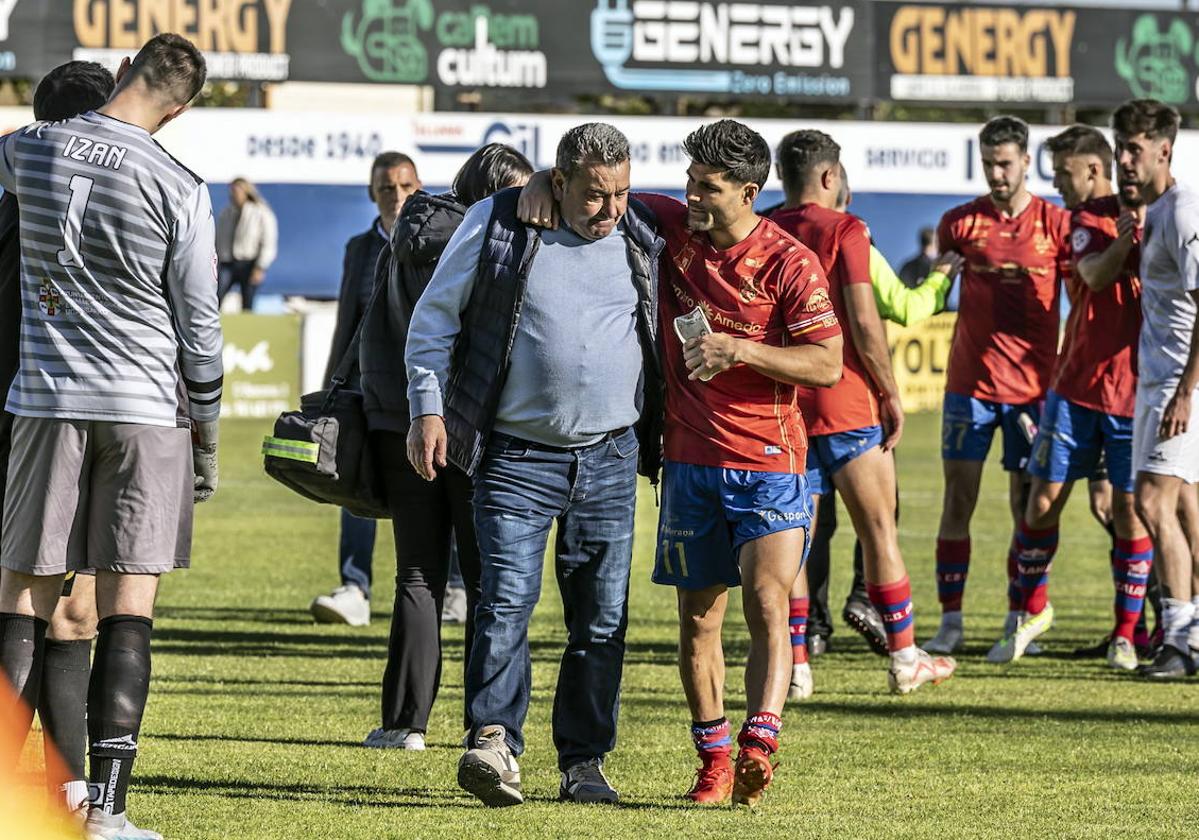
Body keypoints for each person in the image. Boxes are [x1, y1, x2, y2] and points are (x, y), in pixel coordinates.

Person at [0, 34, 221, 840]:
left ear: (124, 72)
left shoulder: (29, 147)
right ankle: (108, 813)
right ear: (182, 107)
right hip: (144, 407)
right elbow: (200, 325)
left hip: (44, 401)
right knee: (128, 605)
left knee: (24, 597)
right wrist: (208, 427)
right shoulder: (182, 184)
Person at [405, 123, 664, 806]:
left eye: (620, 192)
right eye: (592, 195)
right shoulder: (498, 222)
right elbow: (432, 321)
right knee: (505, 605)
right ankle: (493, 742)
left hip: (610, 457)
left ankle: (583, 764)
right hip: (516, 457)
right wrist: (426, 409)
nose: (608, 209)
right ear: (560, 179)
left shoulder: (641, 227)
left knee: (601, 618)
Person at [770, 131, 956, 703]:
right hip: (848, 404)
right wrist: (890, 391)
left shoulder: (765, 226)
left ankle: (797, 666)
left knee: (797, 541)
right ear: (831, 177)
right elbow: (867, 320)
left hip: (788, 409)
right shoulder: (846, 230)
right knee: (879, 530)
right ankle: (904, 658)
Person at [356, 143, 531, 750]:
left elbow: (375, 327)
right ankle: (488, 726)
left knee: (418, 574)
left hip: (396, 417)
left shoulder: (403, 234)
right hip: (470, 421)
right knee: (486, 581)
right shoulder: (488, 242)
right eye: (520, 192)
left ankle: (405, 723)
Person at [0, 59, 115, 820]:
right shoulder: (48, 206)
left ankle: (67, 784)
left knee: (70, 609)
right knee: (40, 603)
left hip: (55, 417)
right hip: (43, 420)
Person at [988, 125, 1149, 667]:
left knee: (1127, 511)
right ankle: (1026, 614)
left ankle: (1128, 634)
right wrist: (1129, 238)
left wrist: (1145, 231)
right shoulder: (1084, 220)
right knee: (1041, 502)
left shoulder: (1161, 215)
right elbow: (1096, 276)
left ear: (1092, 169)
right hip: (1076, 387)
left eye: (1064, 175)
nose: (1057, 185)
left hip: (1134, 391)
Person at [923, 116, 1071, 655]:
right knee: (958, 498)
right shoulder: (959, 224)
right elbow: (938, 291)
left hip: (1033, 391)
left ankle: (1020, 618)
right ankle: (951, 622)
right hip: (969, 387)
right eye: (988, 164)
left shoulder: (1056, 225)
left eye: (1005, 163)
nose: (996, 173)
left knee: (1027, 505)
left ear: (1026, 162)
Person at [309, 151, 422, 627]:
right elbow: (346, 325)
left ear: (419, 189)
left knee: (439, 491)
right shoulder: (359, 248)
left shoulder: (443, 240)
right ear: (371, 194)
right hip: (367, 393)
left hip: (425, 394)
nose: (396, 197)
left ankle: (453, 587)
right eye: (385, 188)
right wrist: (330, 392)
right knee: (353, 486)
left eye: (405, 187)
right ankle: (355, 587)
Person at [1109, 99, 1199, 679]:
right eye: (1119, 147)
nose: (1123, 160)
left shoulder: (1186, 211)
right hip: (1159, 379)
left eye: (1134, 150)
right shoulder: (1156, 211)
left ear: (1164, 150)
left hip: (1180, 383)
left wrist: (1187, 390)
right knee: (1187, 508)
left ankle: (1180, 639)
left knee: (1150, 502)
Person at [215, 176, 277, 312]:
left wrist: (260, 267)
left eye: (236, 190)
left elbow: (268, 241)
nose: (233, 194)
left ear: (246, 192)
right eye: (231, 191)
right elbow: (219, 237)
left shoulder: (261, 212)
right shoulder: (227, 213)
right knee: (216, 297)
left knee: (247, 303)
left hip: (249, 263)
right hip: (228, 263)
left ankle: (247, 331)